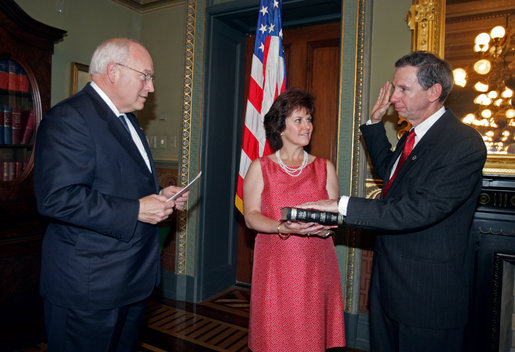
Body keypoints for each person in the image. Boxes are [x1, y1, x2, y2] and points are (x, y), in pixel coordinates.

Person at [299, 51, 487, 352]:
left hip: (427, 298)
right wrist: (374, 124)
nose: (394, 97)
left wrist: (340, 205)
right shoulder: (412, 137)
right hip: (389, 289)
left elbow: (420, 209)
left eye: (403, 89)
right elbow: (392, 174)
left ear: (433, 92)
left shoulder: (462, 143)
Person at [33, 38, 188, 352]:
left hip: (130, 281)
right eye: (145, 75)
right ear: (114, 71)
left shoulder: (128, 120)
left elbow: (116, 185)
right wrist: (135, 210)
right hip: (90, 289)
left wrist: (158, 197)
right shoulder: (69, 119)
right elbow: (57, 198)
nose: (151, 87)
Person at [243, 88, 346, 351]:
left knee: (310, 337)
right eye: (298, 120)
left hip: (315, 263)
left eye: (309, 119)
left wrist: (326, 229)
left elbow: (335, 217)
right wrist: (282, 227)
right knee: (274, 335)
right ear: (280, 127)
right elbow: (251, 216)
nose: (307, 126)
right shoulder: (260, 167)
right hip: (275, 264)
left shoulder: (325, 168)